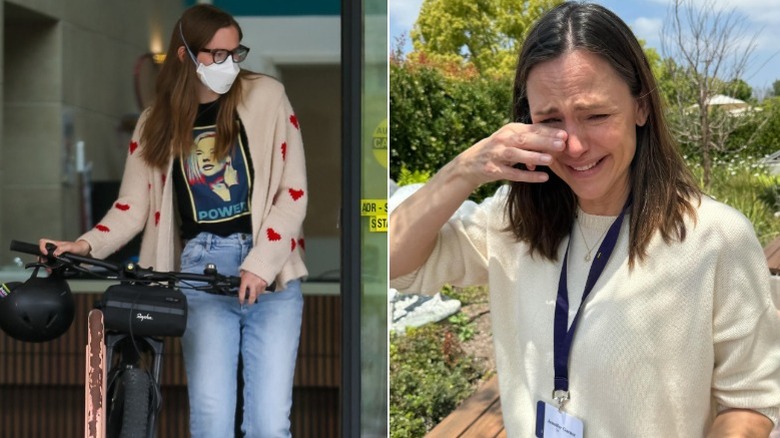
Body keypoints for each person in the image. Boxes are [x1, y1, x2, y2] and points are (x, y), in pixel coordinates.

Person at [389, 2, 780, 436]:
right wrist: (465, 169)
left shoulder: (714, 237)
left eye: (596, 116)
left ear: (641, 107)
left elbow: (750, 401)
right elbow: (391, 261)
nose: (574, 146)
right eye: (550, 120)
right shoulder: (512, 221)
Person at [39, 4, 307, 437]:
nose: (229, 64)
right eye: (216, 54)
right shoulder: (155, 124)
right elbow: (131, 206)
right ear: (185, 55)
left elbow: (293, 193)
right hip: (201, 271)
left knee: (270, 423)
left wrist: (261, 263)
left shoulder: (267, 96)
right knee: (211, 417)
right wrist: (84, 245)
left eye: (235, 53)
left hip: (272, 275)